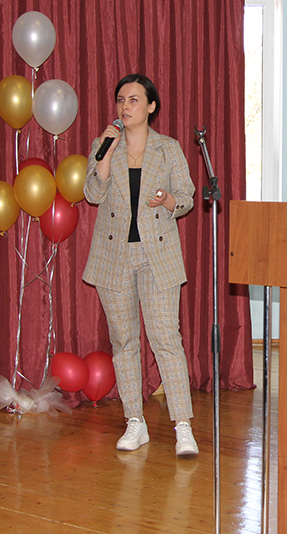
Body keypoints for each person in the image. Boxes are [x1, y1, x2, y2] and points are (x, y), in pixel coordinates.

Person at [82, 73, 198, 456]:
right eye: (120, 99)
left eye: (133, 99)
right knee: (124, 341)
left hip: (157, 255)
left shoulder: (168, 148)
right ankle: (135, 421)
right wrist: (105, 156)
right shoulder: (104, 144)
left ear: (151, 106)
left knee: (166, 338)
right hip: (114, 255)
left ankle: (183, 426)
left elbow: (187, 197)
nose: (125, 106)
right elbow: (92, 194)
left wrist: (167, 200)